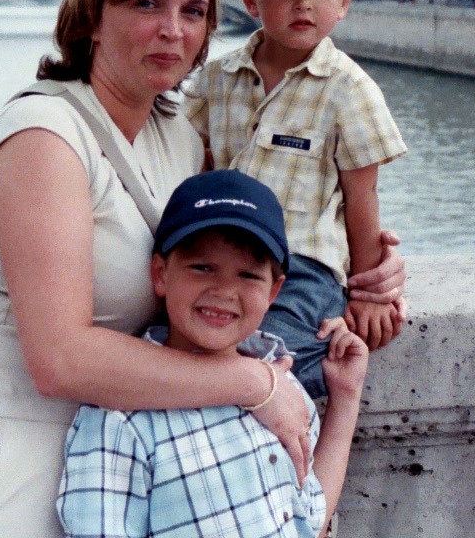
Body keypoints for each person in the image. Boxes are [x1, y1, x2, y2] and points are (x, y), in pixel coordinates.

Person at [0, 0, 405, 537]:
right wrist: (258, 381)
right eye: (146, 3)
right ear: (92, 17)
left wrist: (366, 274)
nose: (172, 29)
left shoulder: (177, 137)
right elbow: (59, 357)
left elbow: (241, 243)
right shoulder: (43, 136)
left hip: (111, 453)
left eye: (193, 12)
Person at [57, 170, 368, 538]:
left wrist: (346, 395)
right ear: (161, 274)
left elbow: (311, 519)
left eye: (248, 275)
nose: (224, 291)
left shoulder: (283, 389)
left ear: (273, 291)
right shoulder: (120, 419)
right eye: (203, 268)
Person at [185, 0, 407, 398]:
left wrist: (368, 292)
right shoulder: (216, 80)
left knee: (273, 348)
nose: (303, 4)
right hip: (220, 255)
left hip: (301, 265)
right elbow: (198, 167)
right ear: (251, 0)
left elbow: (362, 198)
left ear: (344, 2)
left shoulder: (349, 89)